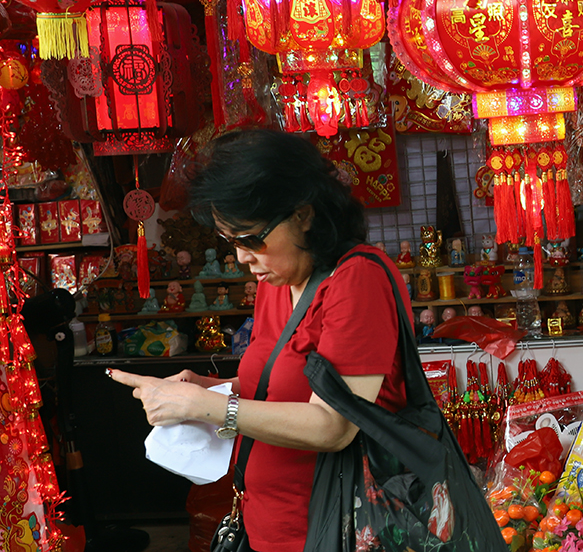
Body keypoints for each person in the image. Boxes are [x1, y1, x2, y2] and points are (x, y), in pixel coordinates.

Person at [109, 130, 408, 552]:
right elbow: (284, 386)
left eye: (252, 239)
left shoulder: (357, 279)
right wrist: (206, 388)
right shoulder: (276, 280)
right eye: (232, 243)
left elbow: (334, 425)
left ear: (303, 215)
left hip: (340, 531)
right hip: (269, 525)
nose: (243, 258)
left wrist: (205, 406)